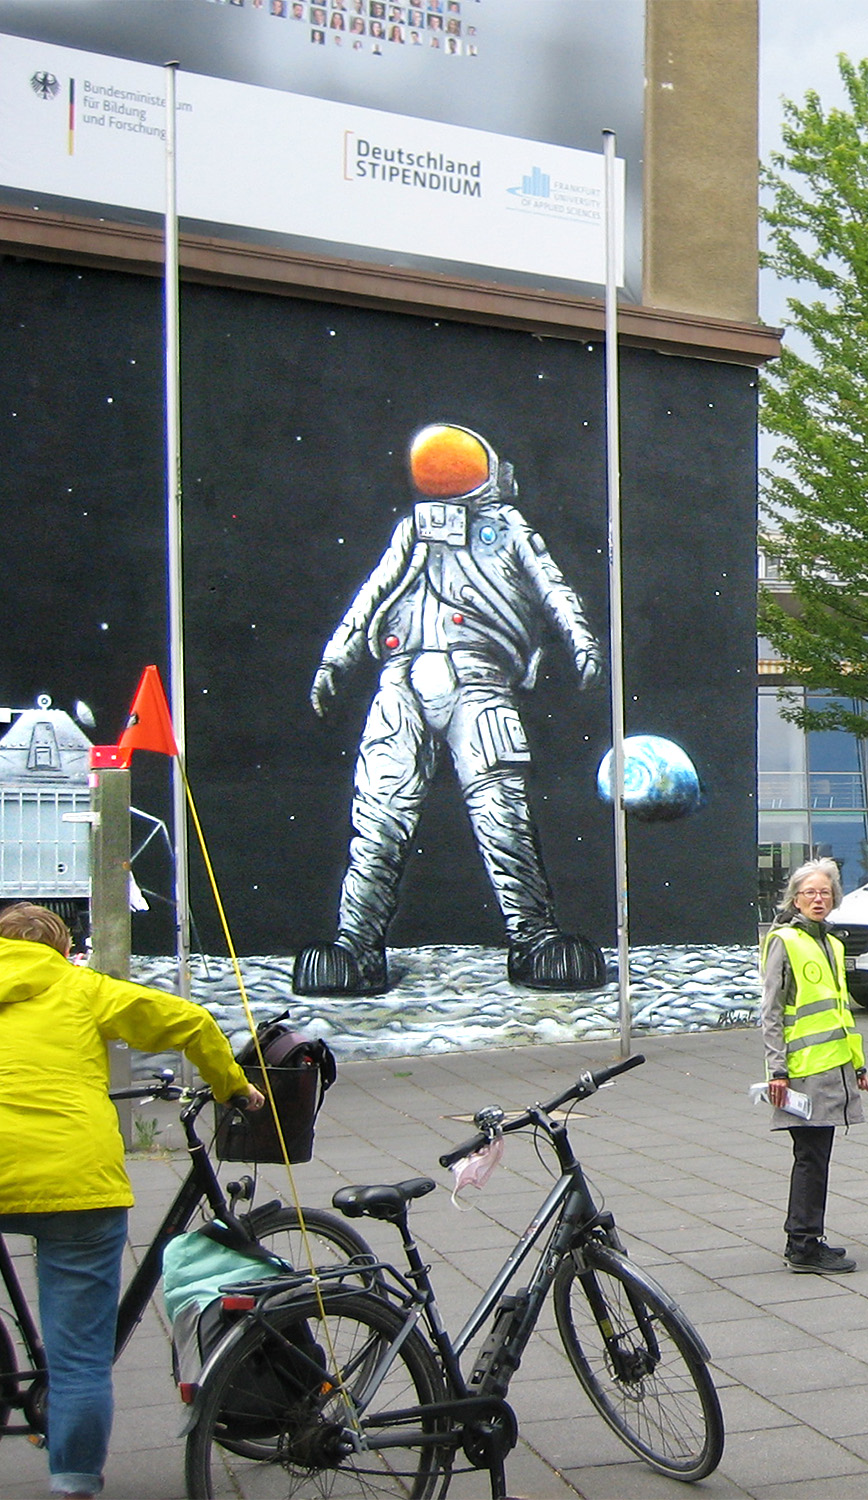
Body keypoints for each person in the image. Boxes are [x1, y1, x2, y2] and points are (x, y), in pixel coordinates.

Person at [298, 421, 605, 997]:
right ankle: (355, 945)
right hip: (401, 682)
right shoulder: (411, 532)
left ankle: (535, 938)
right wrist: (335, 657)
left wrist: (581, 642)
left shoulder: (511, 530)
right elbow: (374, 591)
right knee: (379, 816)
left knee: (501, 810)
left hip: (478, 682)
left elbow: (552, 589)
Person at [0, 902, 264, 1500]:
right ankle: (72, 1486)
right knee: (78, 1361)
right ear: (62, 949)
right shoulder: (80, 986)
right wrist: (233, 1087)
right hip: (75, 1183)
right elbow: (190, 1023)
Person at [760, 858, 868, 1274]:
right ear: (796, 898)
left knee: (817, 1155)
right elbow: (771, 1011)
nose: (818, 899)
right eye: (810, 893)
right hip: (803, 1070)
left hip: (833, 1068)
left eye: (825, 892)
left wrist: (858, 1067)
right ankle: (802, 1244)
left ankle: (808, 1237)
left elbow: (840, 1011)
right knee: (810, 1156)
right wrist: (777, 1071)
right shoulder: (784, 941)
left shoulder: (833, 943)